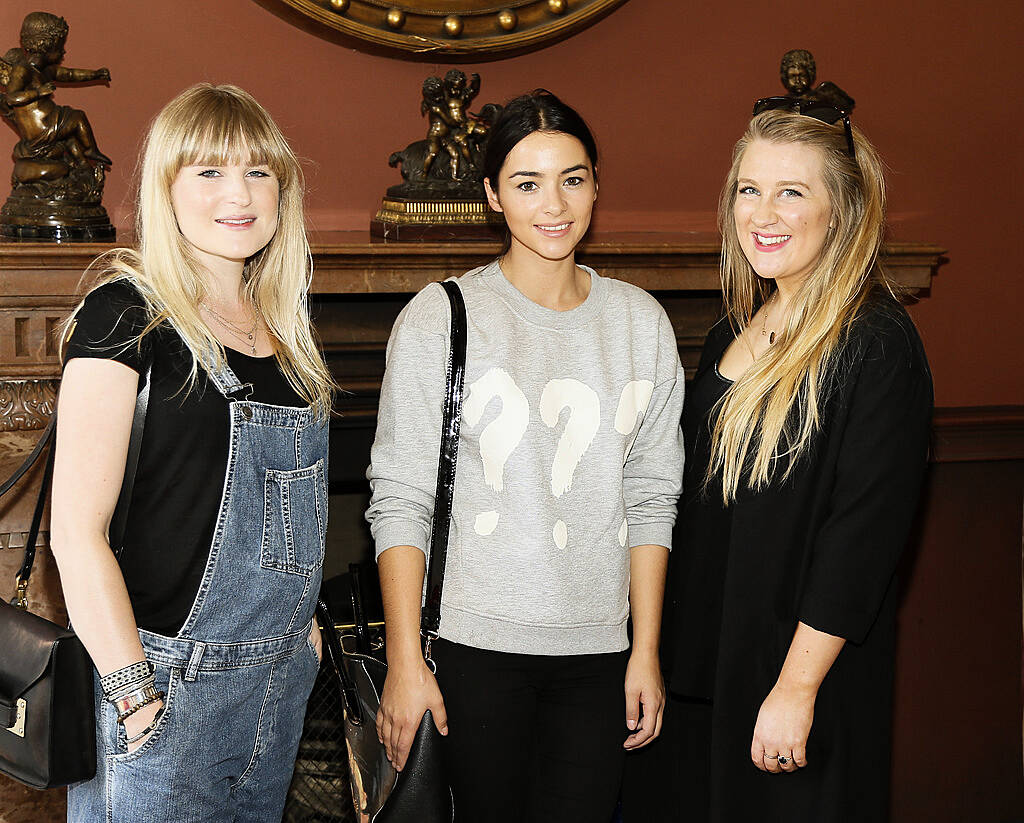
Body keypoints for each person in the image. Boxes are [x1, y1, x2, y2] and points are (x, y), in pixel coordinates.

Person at [365, 90, 684, 822]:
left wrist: (646, 649)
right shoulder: (439, 318)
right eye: (527, 182)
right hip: (473, 653)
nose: (555, 204)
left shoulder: (641, 323)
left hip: (602, 657)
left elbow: (651, 496)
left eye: (573, 178)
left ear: (598, 185)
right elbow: (400, 498)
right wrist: (407, 662)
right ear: (491, 195)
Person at [629, 107, 933, 821]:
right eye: (748, 189)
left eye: (792, 192)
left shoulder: (875, 343)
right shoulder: (727, 335)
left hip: (792, 685)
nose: (763, 213)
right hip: (701, 673)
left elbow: (861, 542)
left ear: (843, 211)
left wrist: (795, 692)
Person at [53, 83, 334, 822]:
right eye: (208, 171)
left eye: (258, 171)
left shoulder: (289, 335)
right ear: (166, 186)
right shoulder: (124, 314)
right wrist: (136, 697)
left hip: (278, 690)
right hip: (165, 697)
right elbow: (75, 534)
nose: (238, 193)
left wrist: (300, 635)